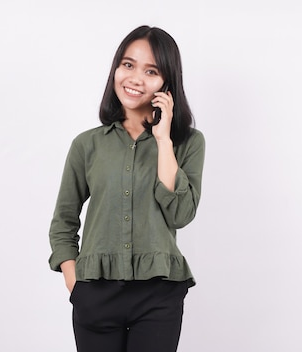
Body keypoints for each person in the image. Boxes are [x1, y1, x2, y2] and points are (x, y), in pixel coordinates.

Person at [48, 25, 205, 352]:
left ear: (167, 83)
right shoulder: (87, 144)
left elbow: (180, 214)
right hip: (95, 295)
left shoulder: (188, 142)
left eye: (151, 71)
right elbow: (64, 221)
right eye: (128, 64)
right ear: (116, 69)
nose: (135, 78)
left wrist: (163, 140)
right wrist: (75, 284)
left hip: (158, 297)